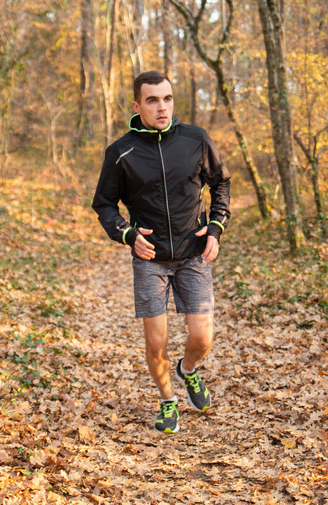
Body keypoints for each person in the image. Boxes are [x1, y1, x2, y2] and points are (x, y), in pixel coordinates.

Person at [92, 70, 231, 433]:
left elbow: (221, 184)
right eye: (152, 100)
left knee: (202, 337)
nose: (162, 107)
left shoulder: (196, 140)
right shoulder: (121, 152)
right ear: (138, 106)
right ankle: (168, 401)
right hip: (150, 258)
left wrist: (216, 227)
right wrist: (126, 234)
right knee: (156, 340)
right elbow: (104, 204)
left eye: (167, 99)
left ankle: (188, 371)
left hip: (192, 253)